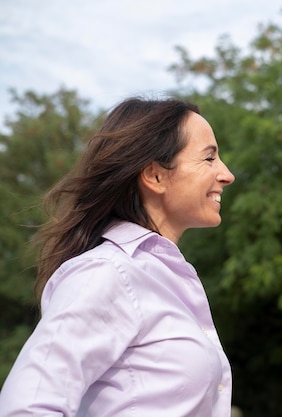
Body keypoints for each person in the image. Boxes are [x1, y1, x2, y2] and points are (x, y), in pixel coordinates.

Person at [0, 97, 236, 416]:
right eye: (209, 158)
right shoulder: (106, 272)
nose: (226, 174)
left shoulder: (164, 276)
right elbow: (26, 406)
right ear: (155, 176)